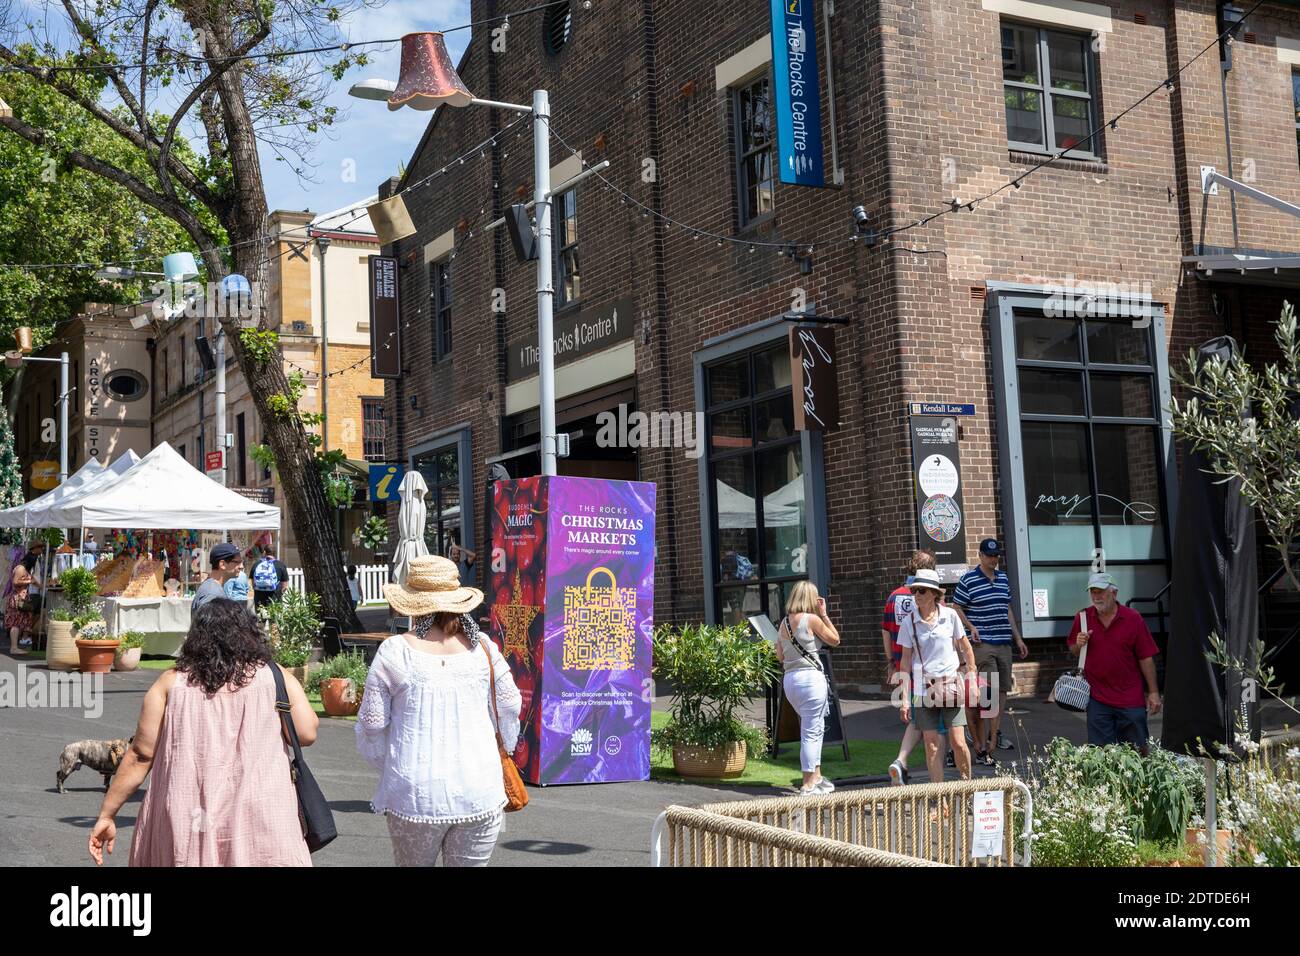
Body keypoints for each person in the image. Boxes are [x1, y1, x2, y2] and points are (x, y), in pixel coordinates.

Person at [88, 599, 318, 866]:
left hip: (188, 819)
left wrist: (107, 814)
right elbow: (306, 733)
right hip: (260, 814)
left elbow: (140, 755)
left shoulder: (170, 683)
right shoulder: (275, 677)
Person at [358, 555, 521, 867]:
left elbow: (372, 724)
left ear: (413, 602)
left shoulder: (396, 651)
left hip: (416, 792)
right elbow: (511, 703)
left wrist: (392, 761)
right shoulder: (482, 647)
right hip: (480, 786)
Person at [952, 538, 1029, 766]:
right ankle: (982, 742)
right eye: (989, 555)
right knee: (987, 694)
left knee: (1002, 690)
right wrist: (971, 627)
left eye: (996, 555)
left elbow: (1007, 609)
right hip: (982, 644)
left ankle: (992, 737)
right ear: (981, 556)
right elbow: (956, 606)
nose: (993, 559)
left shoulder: (1003, 578)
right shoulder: (968, 580)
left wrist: (1018, 638)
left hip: (1004, 642)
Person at [1067, 572, 1162, 754]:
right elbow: (1073, 649)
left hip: (1130, 698)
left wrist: (1154, 692)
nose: (1096, 597)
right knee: (1101, 755)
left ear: (1114, 593)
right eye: (1093, 592)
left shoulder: (1133, 618)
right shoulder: (1083, 618)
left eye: (1101, 592)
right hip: (1097, 698)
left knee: (1137, 751)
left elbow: (1146, 657)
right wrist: (1078, 644)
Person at [898, 568, 977, 783]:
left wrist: (972, 680)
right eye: (914, 591)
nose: (916, 596)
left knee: (958, 742)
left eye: (922, 591)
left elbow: (967, 649)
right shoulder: (908, 622)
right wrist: (904, 700)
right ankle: (939, 799)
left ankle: (966, 788)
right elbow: (905, 663)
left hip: (951, 685)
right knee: (931, 744)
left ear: (934, 594)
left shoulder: (950, 616)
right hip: (923, 690)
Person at [775, 580, 842, 795]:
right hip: (811, 680)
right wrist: (823, 614)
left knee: (812, 728)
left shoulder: (784, 623)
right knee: (811, 732)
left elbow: (779, 656)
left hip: (791, 680)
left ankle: (817, 777)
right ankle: (808, 783)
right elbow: (835, 640)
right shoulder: (812, 619)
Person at [884, 549, 938, 786]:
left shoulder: (893, 597)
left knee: (918, 717)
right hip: (928, 668)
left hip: (902, 664)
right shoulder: (930, 595)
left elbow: (886, 631)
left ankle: (901, 763)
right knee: (929, 721)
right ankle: (906, 762)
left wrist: (890, 663)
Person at [192, 543, 240, 611]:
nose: (241, 566)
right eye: (237, 562)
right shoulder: (212, 594)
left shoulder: (213, 588)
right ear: (222, 564)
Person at [6, 564, 34, 655]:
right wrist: (28, 581)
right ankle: (14, 648)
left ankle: (15, 647)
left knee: (17, 622)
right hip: (17, 598)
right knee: (15, 623)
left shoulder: (22, 569)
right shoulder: (21, 568)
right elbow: (15, 582)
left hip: (19, 598)